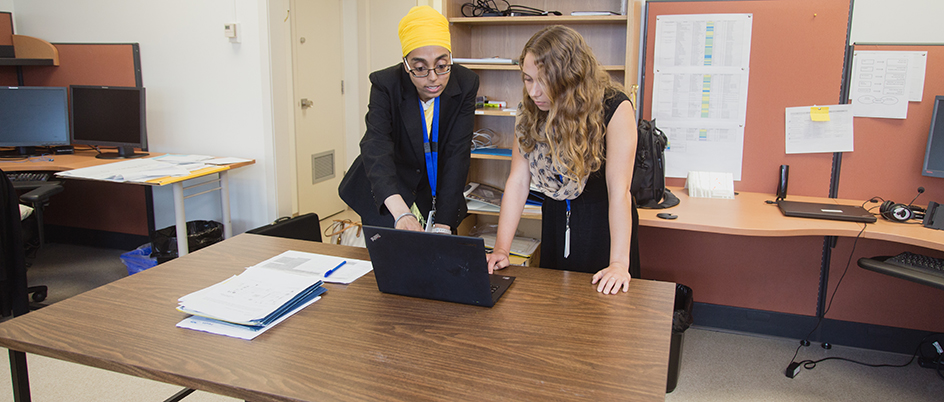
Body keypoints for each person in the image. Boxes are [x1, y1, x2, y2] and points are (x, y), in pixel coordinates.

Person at [485, 25, 640, 295]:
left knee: (605, 319)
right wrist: (501, 249)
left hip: (603, 226)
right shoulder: (530, 112)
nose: (533, 92)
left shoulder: (615, 107)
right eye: (527, 79)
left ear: (570, 76)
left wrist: (618, 263)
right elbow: (518, 181)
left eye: (543, 80)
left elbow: (620, 193)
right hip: (557, 218)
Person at [338, 6, 479, 234]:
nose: (433, 78)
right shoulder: (386, 84)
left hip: (431, 191)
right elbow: (376, 145)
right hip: (389, 187)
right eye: (420, 68)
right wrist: (401, 212)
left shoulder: (465, 84)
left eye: (442, 66)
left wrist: (443, 223)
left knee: (439, 258)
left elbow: (457, 153)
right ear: (406, 65)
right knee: (391, 259)